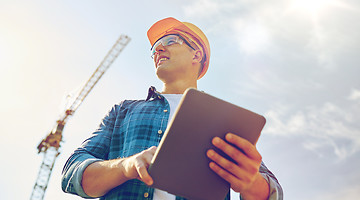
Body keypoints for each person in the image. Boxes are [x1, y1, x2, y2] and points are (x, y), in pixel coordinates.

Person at [61, 17, 283, 200]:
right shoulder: (123, 111)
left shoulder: (223, 121)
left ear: (196, 55)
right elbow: (72, 172)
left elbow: (273, 193)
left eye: (169, 40)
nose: (159, 49)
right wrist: (126, 166)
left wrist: (251, 182)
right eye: (154, 48)